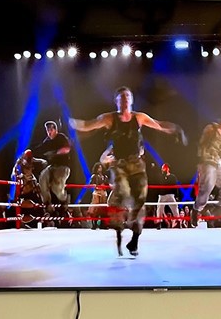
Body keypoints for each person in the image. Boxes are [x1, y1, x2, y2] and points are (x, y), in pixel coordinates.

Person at [69, 86, 186, 256]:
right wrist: (71, 122)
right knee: (123, 192)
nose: (125, 100)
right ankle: (119, 229)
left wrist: (175, 129)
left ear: (131, 100)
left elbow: (159, 125)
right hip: (120, 166)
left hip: (137, 165)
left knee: (140, 202)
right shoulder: (109, 118)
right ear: (116, 101)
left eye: (127, 96)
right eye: (121, 97)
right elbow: (88, 125)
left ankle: (134, 240)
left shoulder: (139, 117)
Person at [193, 114, 221, 226]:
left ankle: (220, 208)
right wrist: (202, 157)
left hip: (217, 162)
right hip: (206, 161)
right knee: (208, 186)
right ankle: (197, 210)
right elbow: (202, 142)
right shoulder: (211, 128)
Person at [34, 121, 73, 228]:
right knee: (42, 178)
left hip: (63, 167)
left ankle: (64, 199)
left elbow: (67, 149)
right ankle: (48, 204)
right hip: (52, 167)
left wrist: (56, 153)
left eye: (51, 129)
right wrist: (30, 153)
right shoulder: (47, 142)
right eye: (47, 130)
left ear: (56, 130)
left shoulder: (61, 137)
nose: (49, 132)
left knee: (56, 187)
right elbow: (39, 149)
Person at [156, 163, 181, 228]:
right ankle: (159, 223)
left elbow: (175, 186)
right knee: (159, 208)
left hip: (170, 195)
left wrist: (176, 196)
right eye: (162, 168)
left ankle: (178, 221)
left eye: (163, 168)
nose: (162, 170)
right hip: (162, 195)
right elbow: (160, 184)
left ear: (167, 169)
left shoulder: (172, 177)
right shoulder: (160, 176)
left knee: (175, 207)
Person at [86, 162, 110, 229]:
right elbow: (90, 184)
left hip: (103, 193)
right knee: (95, 209)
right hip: (97, 192)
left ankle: (103, 224)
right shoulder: (94, 176)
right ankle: (94, 224)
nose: (100, 169)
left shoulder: (105, 177)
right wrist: (95, 186)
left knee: (103, 209)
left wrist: (108, 186)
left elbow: (107, 184)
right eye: (98, 167)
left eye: (101, 167)